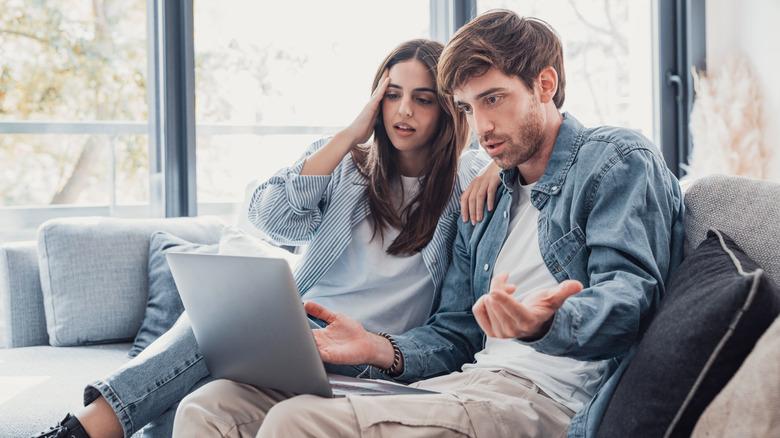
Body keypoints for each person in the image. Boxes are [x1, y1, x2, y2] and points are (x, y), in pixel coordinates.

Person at [172, 10, 686, 438]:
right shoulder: (485, 198)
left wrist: (548, 322)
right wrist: (377, 347)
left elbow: (634, 296)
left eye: (493, 99)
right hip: (467, 381)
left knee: (295, 422)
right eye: (467, 107)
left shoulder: (616, 160)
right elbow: (457, 334)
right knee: (209, 409)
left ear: (545, 84)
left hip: (545, 397)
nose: (482, 128)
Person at [33, 39, 499, 438]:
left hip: (366, 352)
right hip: (298, 340)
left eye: (422, 99)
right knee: (202, 398)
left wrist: (498, 166)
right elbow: (270, 216)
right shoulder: (347, 164)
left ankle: (83, 429)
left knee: (222, 323)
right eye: (392, 94)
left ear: (448, 108)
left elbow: (528, 141)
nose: (403, 110)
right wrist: (350, 134)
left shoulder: (469, 182)